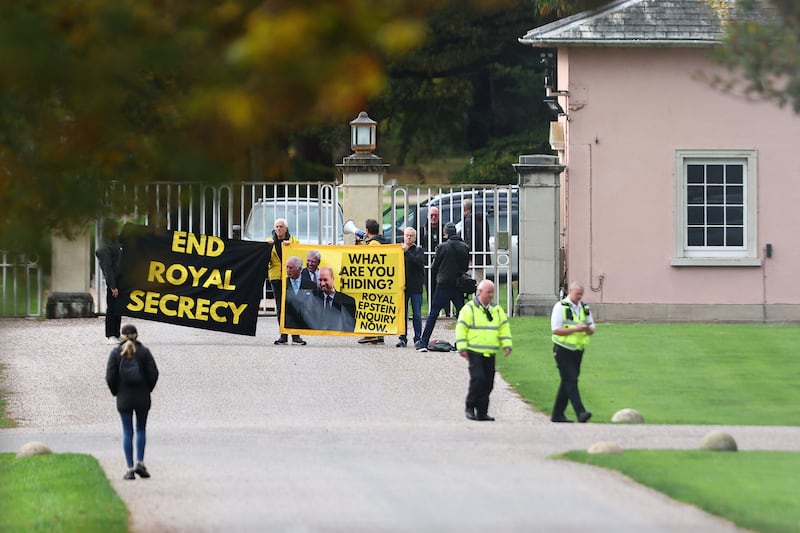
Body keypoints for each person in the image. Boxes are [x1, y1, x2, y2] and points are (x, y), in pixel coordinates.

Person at [105, 323, 159, 480]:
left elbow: (110, 376)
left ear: (121, 336)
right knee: (141, 429)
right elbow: (154, 374)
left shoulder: (116, 353)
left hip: (124, 398)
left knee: (128, 432)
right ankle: (140, 463)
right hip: (142, 397)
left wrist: (116, 392)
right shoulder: (144, 352)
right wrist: (147, 389)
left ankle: (129, 468)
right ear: (137, 335)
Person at [456, 280, 512, 421]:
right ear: (480, 292)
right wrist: (462, 347)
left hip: (490, 352)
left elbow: (503, 328)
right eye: (488, 292)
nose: (491, 295)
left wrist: (507, 344)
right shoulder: (469, 309)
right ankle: (470, 406)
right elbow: (461, 328)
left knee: (488, 383)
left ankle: (482, 412)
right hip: (474, 351)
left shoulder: (497, 310)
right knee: (478, 379)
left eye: (492, 292)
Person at [416, 222, 470, 352]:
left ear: (445, 233)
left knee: (434, 313)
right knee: (461, 315)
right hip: (458, 285)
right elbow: (466, 267)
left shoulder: (443, 247)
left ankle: (423, 343)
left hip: (444, 284)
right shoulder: (464, 246)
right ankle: (461, 343)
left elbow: (435, 267)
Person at [550, 281, 595, 423]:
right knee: (571, 380)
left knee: (567, 381)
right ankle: (581, 412)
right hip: (562, 349)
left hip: (577, 350)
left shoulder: (584, 307)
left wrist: (586, 329)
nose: (579, 297)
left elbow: (592, 328)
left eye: (581, 294)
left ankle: (557, 414)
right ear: (570, 291)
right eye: (577, 294)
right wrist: (576, 329)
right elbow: (555, 329)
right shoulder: (560, 307)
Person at [267, 218, 299, 345]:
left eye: (281, 226)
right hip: (276, 277)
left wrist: (290, 247)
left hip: (291, 278)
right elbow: (263, 258)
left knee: (293, 306)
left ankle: (296, 336)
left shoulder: (293, 241)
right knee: (280, 307)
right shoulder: (269, 241)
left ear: (286, 228)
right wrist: (266, 248)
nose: (278, 229)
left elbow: (299, 255)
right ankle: (283, 335)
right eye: (276, 226)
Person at [357, 218, 389, 344]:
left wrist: (359, 245)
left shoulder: (374, 244)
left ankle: (371, 334)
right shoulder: (380, 241)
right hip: (379, 282)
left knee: (371, 308)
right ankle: (379, 335)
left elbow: (365, 259)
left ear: (367, 230)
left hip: (372, 282)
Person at [397, 227, 425, 348]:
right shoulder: (399, 250)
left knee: (417, 314)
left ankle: (417, 338)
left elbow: (418, 263)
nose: (408, 237)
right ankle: (402, 337)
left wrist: (406, 252)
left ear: (415, 238)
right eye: (407, 235)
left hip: (415, 287)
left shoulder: (418, 250)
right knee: (403, 314)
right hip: (403, 287)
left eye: (411, 236)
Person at [96, 218, 122, 344]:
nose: (117, 230)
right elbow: (107, 268)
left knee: (118, 307)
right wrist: (112, 286)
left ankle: (116, 333)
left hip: (119, 279)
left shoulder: (114, 241)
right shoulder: (104, 247)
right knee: (111, 308)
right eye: (115, 228)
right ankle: (110, 335)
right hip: (113, 281)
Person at [308, 267, 356, 332]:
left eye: (325, 280)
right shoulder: (312, 298)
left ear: (333, 279)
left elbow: (349, 328)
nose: (322, 283)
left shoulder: (347, 301)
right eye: (320, 280)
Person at [281, 256, 312, 343]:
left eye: (290, 268)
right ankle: (283, 335)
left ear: (300, 269)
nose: (287, 270)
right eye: (286, 267)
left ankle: (296, 336)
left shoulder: (309, 285)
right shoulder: (283, 284)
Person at [461, 198, 491, 283]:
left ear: (464, 209)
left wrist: (469, 257)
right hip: (482, 252)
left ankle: (479, 296)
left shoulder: (469, 220)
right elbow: (487, 235)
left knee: (478, 280)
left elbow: (470, 240)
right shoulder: (481, 219)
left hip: (475, 254)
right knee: (479, 277)